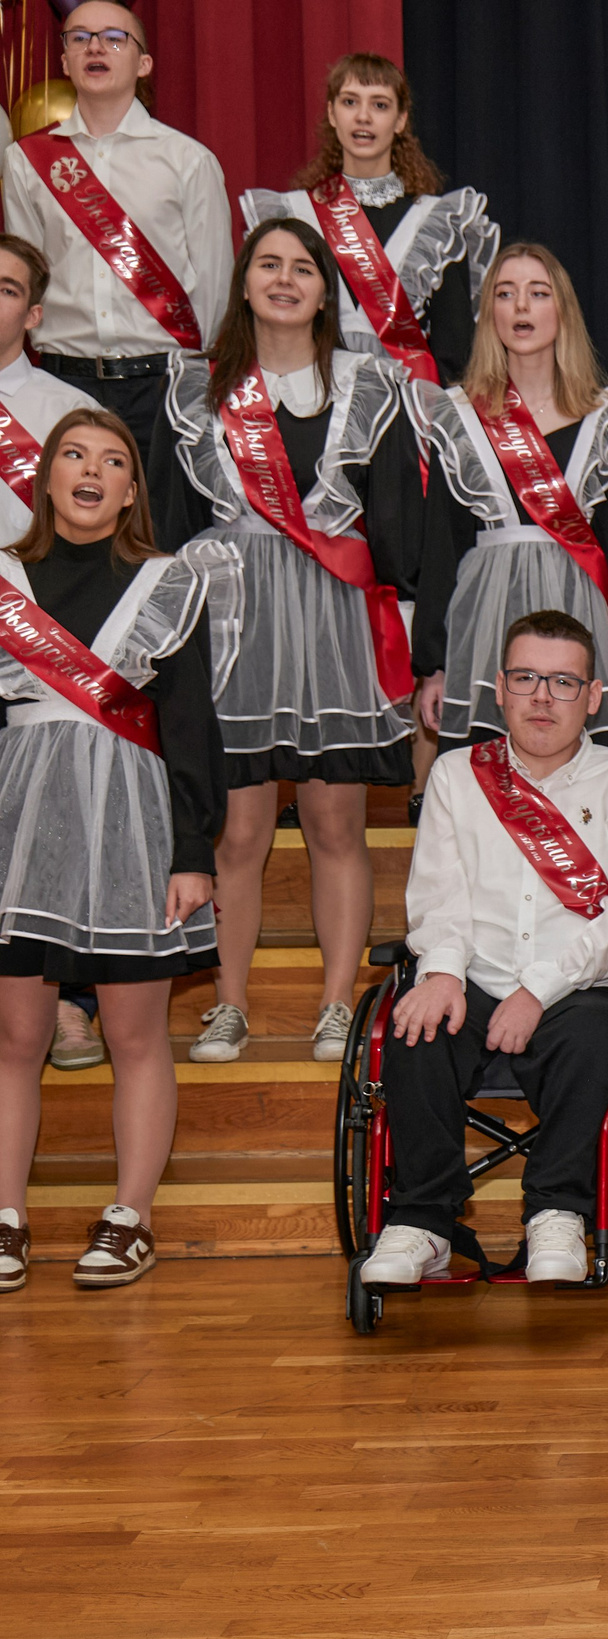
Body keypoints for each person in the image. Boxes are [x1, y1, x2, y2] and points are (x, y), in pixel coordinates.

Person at [158, 218, 451, 1068]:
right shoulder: (197, 388)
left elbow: (398, 514)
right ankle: (230, 1003)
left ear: (328, 290)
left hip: (333, 614)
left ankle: (333, 1004)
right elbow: (172, 528)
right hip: (233, 616)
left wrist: (407, 621)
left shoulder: (368, 384)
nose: (285, 279)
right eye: (268, 265)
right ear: (244, 282)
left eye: (303, 268)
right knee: (239, 830)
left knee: (334, 820)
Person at [357, 609, 608, 1288]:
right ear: (500, 687)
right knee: (413, 1028)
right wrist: (439, 972)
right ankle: (423, 1223)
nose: (542, 697)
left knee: (595, 1037)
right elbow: (440, 893)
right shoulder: (455, 776)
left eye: (563, 682)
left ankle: (559, 1210)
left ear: (592, 697)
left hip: (572, 985)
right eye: (526, 677)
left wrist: (540, 987)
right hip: (471, 974)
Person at [0, 409, 235, 1293]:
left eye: (112, 460)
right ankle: (5, 1215)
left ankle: (130, 1213)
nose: (90, 470)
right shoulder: (5, 579)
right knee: (15, 1035)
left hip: (133, 821)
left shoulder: (168, 582)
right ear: (47, 476)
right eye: (72, 454)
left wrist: (190, 848)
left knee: (135, 1033)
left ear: (133, 489)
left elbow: (189, 725)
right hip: (17, 827)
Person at [409, 242, 608, 750]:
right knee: (488, 791)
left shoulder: (607, 418)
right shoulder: (457, 417)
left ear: (563, 310)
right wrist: (436, 665)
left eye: (538, 292)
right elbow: (441, 546)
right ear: (490, 313)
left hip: (583, 620)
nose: (522, 307)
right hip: (486, 627)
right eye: (506, 294)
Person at [2, 2, 227, 546]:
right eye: (79, 38)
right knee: (67, 552)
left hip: (166, 391)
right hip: (62, 385)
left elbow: (217, 291)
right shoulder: (26, 163)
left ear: (144, 63)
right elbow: (23, 283)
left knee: (165, 547)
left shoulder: (187, 160)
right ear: (63, 58)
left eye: (112, 38)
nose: (95, 48)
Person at [0, 233, 124, 1077]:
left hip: (34, 641)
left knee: (56, 833)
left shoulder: (57, 407)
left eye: (6, 287)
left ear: (34, 313)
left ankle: (71, 1003)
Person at [240, 51, 500, 387]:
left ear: (401, 119)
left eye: (379, 105)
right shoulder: (294, 213)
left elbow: (456, 356)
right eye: (350, 102)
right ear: (332, 113)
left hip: (408, 416)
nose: (363, 117)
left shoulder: (435, 223)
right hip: (314, 407)